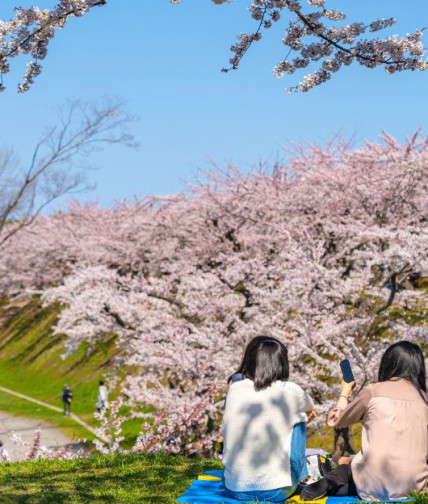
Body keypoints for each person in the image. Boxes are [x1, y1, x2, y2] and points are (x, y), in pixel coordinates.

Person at [301, 341, 428, 501]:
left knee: (350, 467)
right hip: (415, 485)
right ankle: (338, 482)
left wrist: (345, 392)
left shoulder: (373, 391)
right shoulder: (425, 400)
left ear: (387, 364)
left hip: (373, 482)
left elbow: (335, 420)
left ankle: (329, 481)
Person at [222, 335, 316, 503]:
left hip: (233, 487)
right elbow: (310, 405)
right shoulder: (290, 390)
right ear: (281, 363)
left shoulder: (234, 388)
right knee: (300, 418)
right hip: (276, 490)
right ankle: (302, 477)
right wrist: (303, 414)